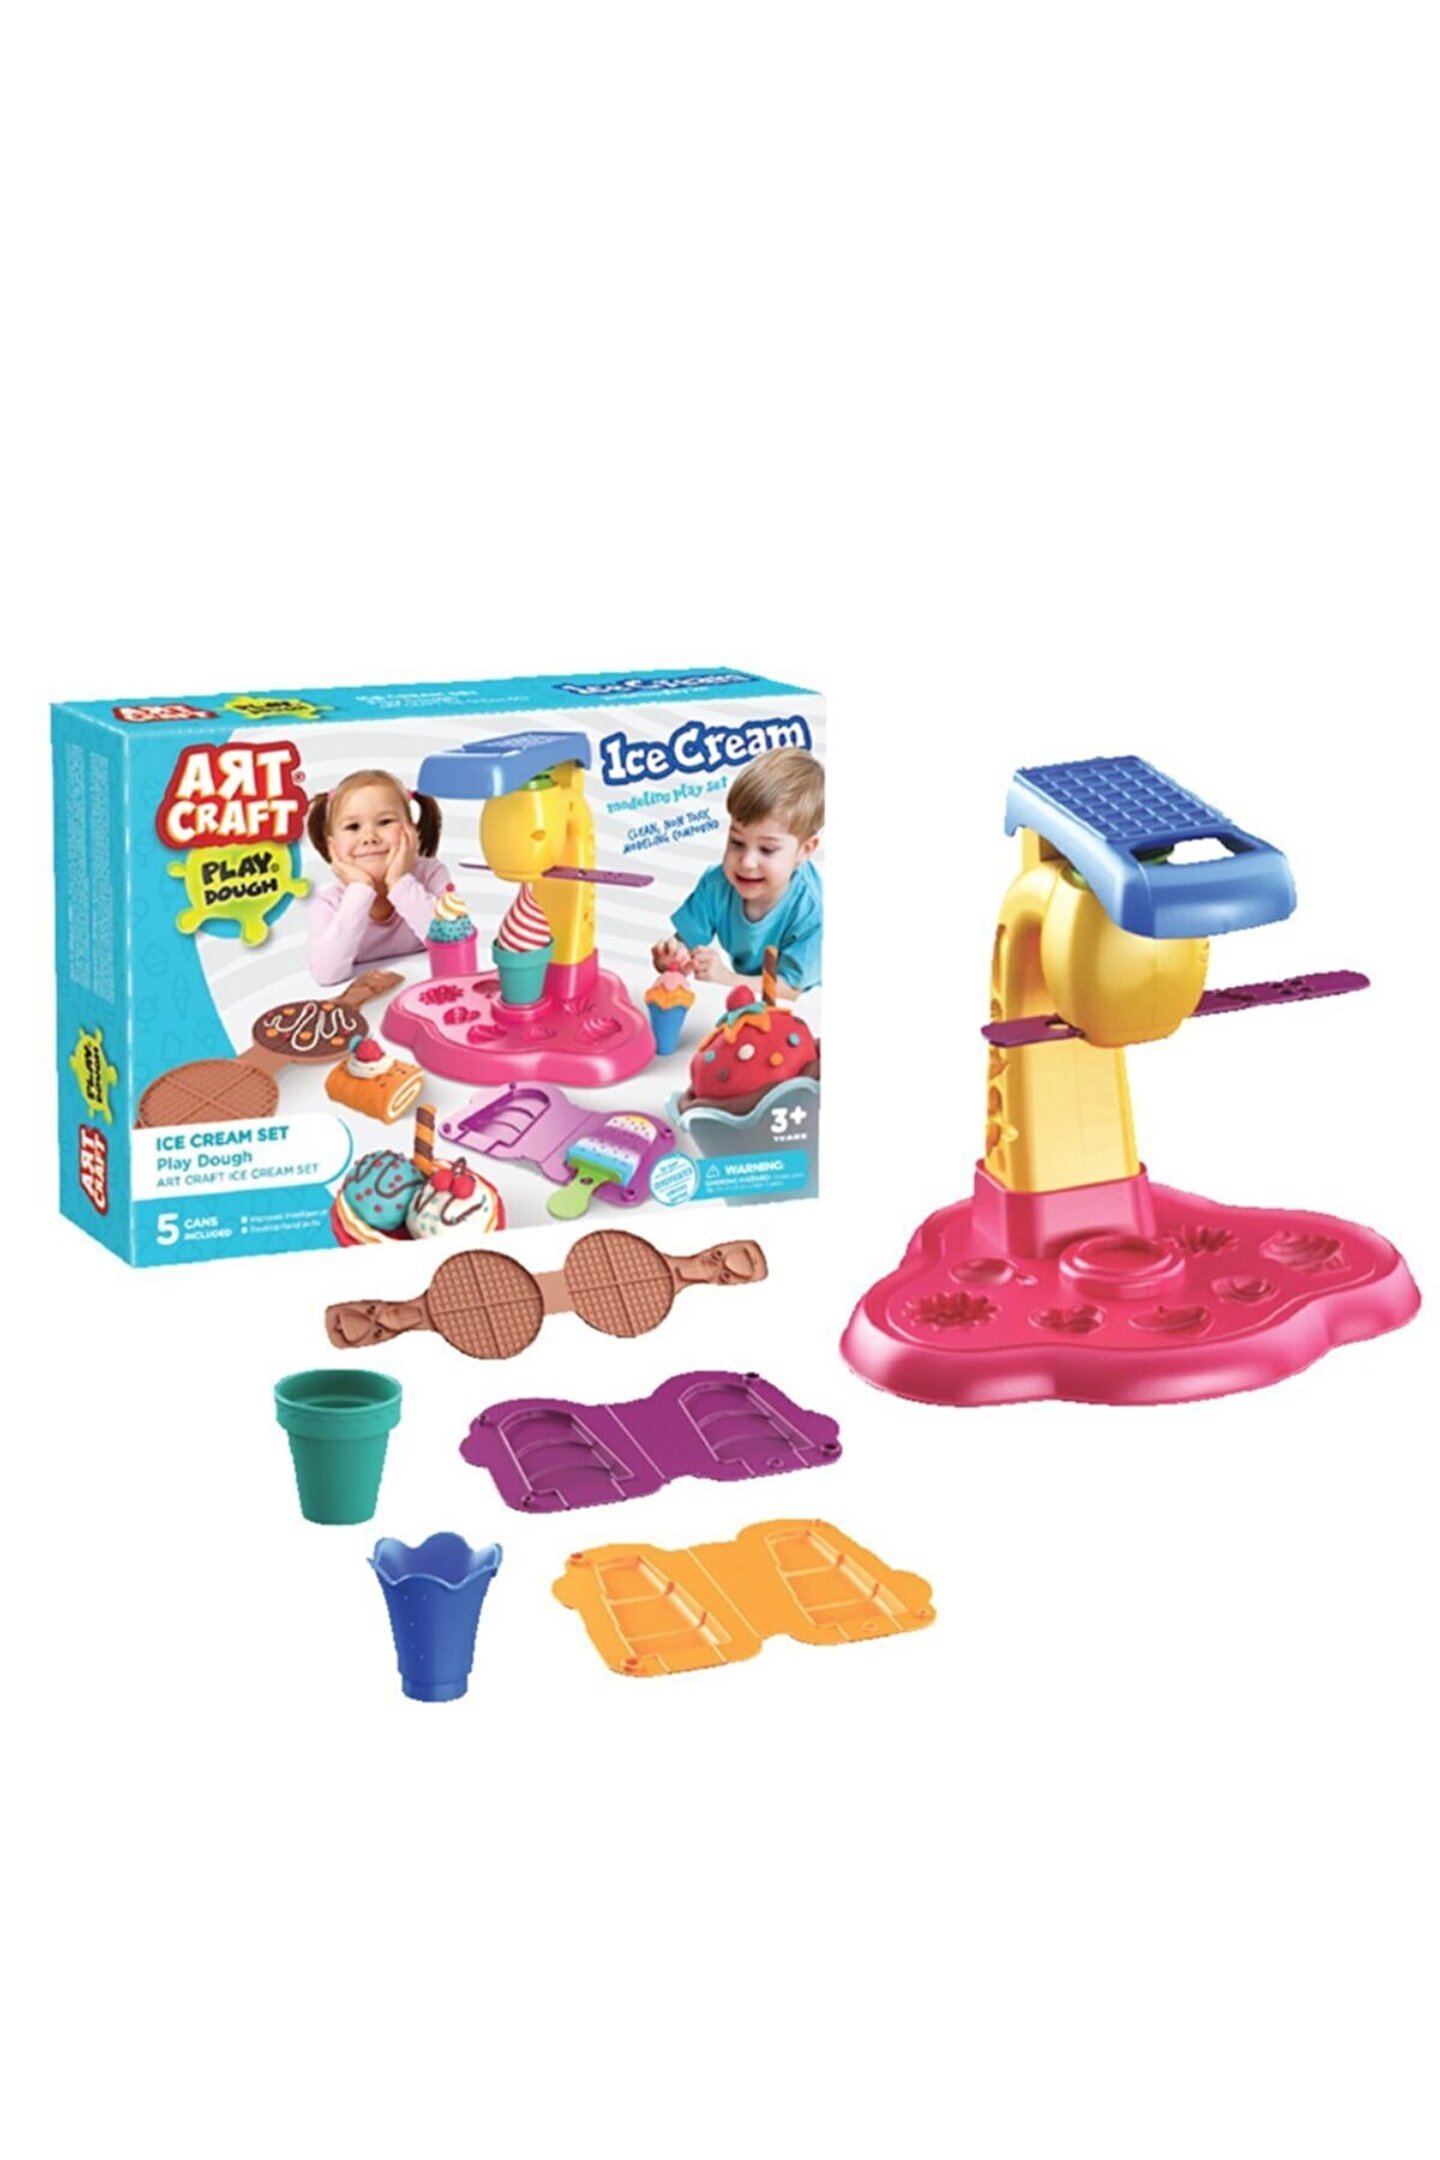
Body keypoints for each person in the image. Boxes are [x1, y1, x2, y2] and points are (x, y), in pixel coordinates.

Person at [652, 746, 824, 991]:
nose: (746, 862)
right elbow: (685, 942)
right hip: (753, 996)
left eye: (767, 849)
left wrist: (727, 978)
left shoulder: (814, 912)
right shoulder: (717, 885)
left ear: (805, 850)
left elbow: (791, 989)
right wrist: (673, 956)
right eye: (737, 842)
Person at [306, 768, 456, 983]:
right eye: (353, 827)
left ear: (412, 832)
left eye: (385, 822)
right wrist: (360, 889)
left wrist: (399, 882)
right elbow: (326, 975)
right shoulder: (330, 903)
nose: (369, 837)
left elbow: (453, 945)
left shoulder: (430, 874)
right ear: (333, 846)